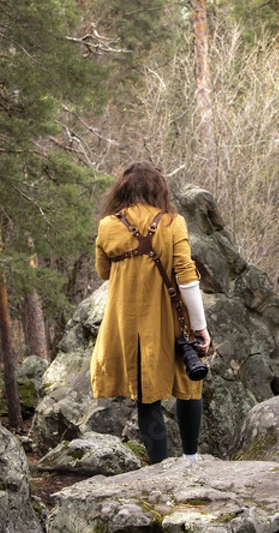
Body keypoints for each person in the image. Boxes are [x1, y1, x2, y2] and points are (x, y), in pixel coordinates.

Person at [90, 161, 210, 463]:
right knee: (189, 382)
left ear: (122, 190)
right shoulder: (173, 223)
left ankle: (159, 470)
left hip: (129, 323)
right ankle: (191, 459)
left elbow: (103, 271)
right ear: (159, 189)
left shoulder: (107, 226)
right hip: (172, 318)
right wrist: (201, 326)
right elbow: (186, 274)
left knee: (147, 395)